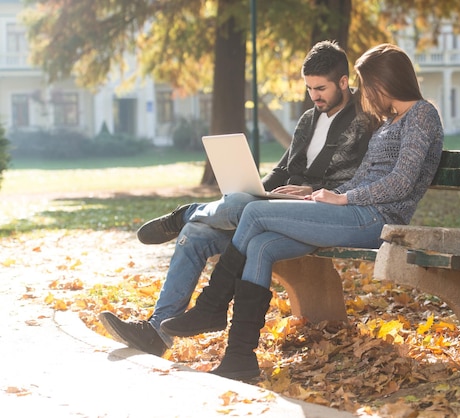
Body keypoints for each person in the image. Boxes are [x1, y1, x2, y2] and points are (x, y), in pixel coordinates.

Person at [160, 43, 445, 380]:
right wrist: (325, 196)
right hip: (355, 211)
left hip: (378, 219)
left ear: (385, 82)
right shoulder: (390, 120)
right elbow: (365, 177)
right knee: (261, 244)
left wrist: (344, 199)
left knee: (253, 213)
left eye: (366, 85)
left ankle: (212, 306)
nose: (363, 93)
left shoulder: (421, 115)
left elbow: (400, 183)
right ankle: (240, 357)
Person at [99, 40, 372, 356]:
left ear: (343, 82)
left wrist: (311, 191)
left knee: (239, 208)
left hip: (317, 213)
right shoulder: (309, 120)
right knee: (196, 233)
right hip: (275, 206)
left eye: (321, 88)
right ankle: (157, 332)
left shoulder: (363, 121)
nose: (314, 96)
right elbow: (284, 169)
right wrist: (256, 189)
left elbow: (362, 179)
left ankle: (187, 212)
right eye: (309, 88)